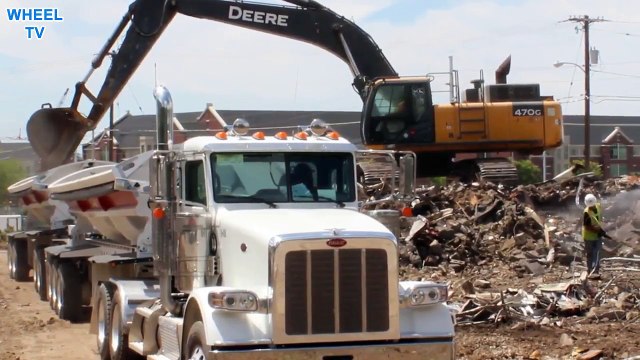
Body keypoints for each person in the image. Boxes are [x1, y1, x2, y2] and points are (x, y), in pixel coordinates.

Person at [582, 193, 604, 279]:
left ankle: (595, 271)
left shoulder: (597, 206)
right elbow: (587, 227)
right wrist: (597, 230)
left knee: (597, 253)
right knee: (590, 254)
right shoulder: (586, 213)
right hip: (589, 236)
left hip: (596, 235)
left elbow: (601, 209)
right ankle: (590, 270)